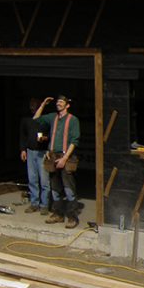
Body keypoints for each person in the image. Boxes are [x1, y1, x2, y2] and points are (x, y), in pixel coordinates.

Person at [44, 95, 81, 229]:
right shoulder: (53, 117)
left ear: (67, 105)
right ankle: (58, 214)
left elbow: (74, 141)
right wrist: (43, 104)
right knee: (55, 188)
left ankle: (72, 217)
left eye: (61, 102)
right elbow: (36, 119)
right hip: (53, 156)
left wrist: (65, 158)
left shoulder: (73, 120)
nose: (58, 104)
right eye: (57, 102)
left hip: (67, 156)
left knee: (68, 188)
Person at [20, 96, 53, 212]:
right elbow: (23, 135)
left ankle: (44, 205)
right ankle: (34, 203)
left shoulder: (46, 118)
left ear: (40, 104)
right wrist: (23, 149)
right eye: (31, 104)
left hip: (42, 152)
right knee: (32, 179)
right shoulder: (26, 119)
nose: (32, 106)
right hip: (30, 151)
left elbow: (51, 134)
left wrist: (45, 139)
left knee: (44, 181)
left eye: (34, 104)